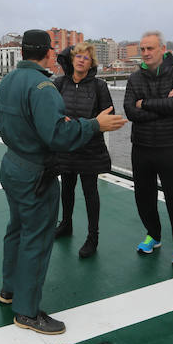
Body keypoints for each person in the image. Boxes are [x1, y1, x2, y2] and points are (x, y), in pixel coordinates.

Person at [0, 30, 127, 335]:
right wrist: (95, 125)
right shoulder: (43, 86)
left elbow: (22, 121)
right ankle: (27, 312)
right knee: (36, 239)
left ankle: (9, 290)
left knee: (16, 229)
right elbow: (57, 136)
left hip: (11, 164)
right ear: (49, 52)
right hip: (35, 173)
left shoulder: (8, 81)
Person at [123, 30, 173, 266]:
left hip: (171, 146)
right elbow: (131, 112)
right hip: (141, 147)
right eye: (142, 49)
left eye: (150, 48)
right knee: (143, 196)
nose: (145, 53)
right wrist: (161, 107)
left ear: (163, 49)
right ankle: (153, 235)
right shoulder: (134, 78)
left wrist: (145, 104)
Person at [52, 42, 114, 258]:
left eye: (85, 57)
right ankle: (66, 224)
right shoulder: (59, 84)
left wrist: (91, 124)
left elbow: (108, 114)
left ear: (91, 63)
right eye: (77, 56)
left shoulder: (99, 86)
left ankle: (92, 237)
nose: (80, 60)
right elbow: (52, 112)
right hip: (67, 147)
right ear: (71, 59)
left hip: (90, 148)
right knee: (66, 188)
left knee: (90, 193)